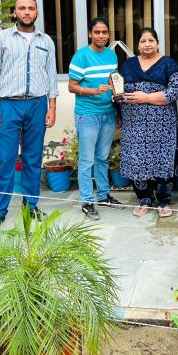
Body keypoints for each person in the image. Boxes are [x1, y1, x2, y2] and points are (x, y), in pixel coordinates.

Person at [0, 0, 58, 229]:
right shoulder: (2, 39)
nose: (26, 12)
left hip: (37, 105)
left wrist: (52, 107)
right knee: (5, 160)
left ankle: (31, 206)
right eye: (22, 8)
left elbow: (51, 77)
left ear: (36, 12)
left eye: (31, 8)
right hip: (8, 105)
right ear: (14, 12)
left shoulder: (46, 41)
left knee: (33, 159)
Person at [118, 28, 178, 218]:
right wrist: (119, 98)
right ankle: (144, 198)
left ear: (157, 43)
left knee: (163, 158)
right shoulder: (128, 65)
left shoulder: (168, 63)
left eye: (151, 40)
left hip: (163, 123)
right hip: (134, 123)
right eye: (143, 41)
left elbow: (175, 91)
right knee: (138, 159)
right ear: (137, 44)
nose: (147, 44)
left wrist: (145, 97)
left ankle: (163, 201)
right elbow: (119, 89)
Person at [67, 17, 123, 220]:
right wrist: (93, 90)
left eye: (105, 32)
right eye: (97, 32)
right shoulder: (81, 56)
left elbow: (115, 82)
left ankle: (103, 195)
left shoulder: (111, 55)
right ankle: (87, 201)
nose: (101, 36)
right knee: (86, 160)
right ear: (90, 34)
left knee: (102, 157)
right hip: (88, 115)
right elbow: (71, 86)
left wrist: (118, 110)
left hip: (108, 113)